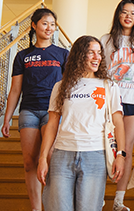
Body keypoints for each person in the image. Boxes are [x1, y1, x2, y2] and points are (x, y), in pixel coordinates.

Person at [37, 35, 128, 211]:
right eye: (91, 52)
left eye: (99, 53)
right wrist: (43, 157)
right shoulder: (61, 86)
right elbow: (52, 124)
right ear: (79, 55)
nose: (97, 57)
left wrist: (121, 155)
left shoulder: (109, 86)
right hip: (62, 155)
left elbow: (118, 121)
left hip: (95, 155)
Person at [1, 8, 66, 211]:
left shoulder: (63, 54)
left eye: (52, 24)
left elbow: (68, 86)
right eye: (45, 23)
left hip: (52, 111)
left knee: (49, 158)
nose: (49, 28)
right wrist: (7, 119)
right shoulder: (23, 56)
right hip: (28, 110)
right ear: (34, 26)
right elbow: (15, 90)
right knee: (29, 162)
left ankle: (55, 205)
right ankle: (36, 208)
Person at [99, 0, 134, 211]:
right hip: (111, 99)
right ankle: (99, 197)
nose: (128, 16)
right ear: (118, 14)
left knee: (126, 148)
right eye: (124, 11)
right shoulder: (106, 40)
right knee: (105, 147)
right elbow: (101, 71)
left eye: (133, 13)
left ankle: (118, 201)